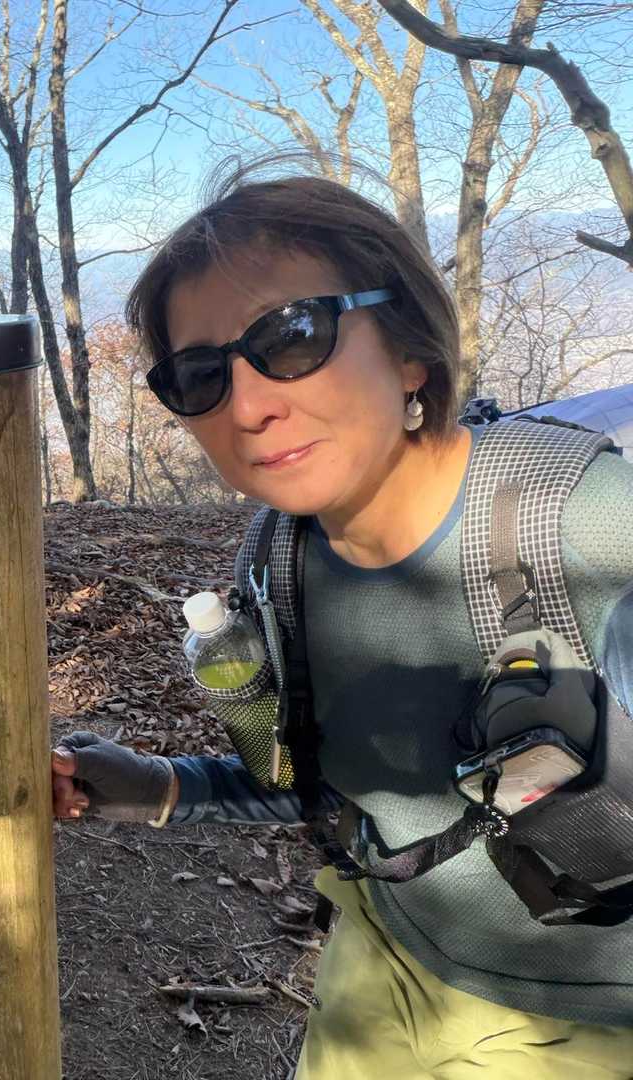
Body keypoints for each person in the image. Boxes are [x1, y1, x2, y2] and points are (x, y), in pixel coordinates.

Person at [50, 166, 633, 1078]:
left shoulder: (588, 527)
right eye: (201, 375)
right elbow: (329, 784)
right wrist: (157, 787)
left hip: (584, 1021)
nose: (249, 406)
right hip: (380, 954)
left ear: (409, 350)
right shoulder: (277, 558)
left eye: (292, 337)